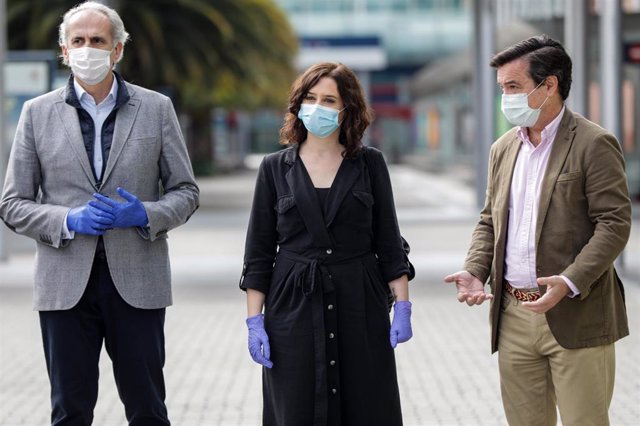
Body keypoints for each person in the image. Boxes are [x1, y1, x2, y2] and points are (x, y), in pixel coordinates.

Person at [0, 2, 199, 425]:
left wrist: (144, 214)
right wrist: (68, 220)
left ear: (117, 50)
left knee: (147, 409)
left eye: (97, 40)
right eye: (78, 41)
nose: (87, 49)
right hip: (64, 285)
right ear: (64, 50)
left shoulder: (156, 109)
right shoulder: (37, 114)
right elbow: (12, 203)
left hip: (138, 282)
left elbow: (186, 191)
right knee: (70, 411)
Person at [444, 35, 631, 426]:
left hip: (576, 311)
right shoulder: (502, 149)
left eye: (514, 87)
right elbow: (489, 219)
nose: (505, 97)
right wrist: (476, 271)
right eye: (502, 88)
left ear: (550, 85)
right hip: (513, 314)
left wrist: (569, 280)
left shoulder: (594, 144)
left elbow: (614, 223)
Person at [240, 62, 414, 426]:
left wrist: (402, 306)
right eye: (310, 97)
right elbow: (258, 252)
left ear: (346, 109)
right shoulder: (274, 168)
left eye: (329, 100)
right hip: (292, 306)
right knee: (297, 405)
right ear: (298, 104)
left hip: (360, 301)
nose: (317, 107)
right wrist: (254, 320)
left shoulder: (370, 164)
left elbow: (388, 240)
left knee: (366, 404)